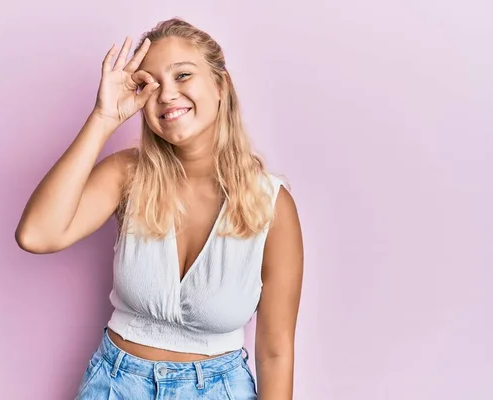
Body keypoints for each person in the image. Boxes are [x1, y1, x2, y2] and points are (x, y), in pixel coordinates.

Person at [15, 17, 303, 400]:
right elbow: (37, 234)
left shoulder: (271, 205)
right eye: (150, 85)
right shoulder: (127, 174)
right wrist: (103, 119)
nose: (167, 95)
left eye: (182, 76)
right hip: (115, 384)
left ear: (221, 86)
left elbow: (276, 351)